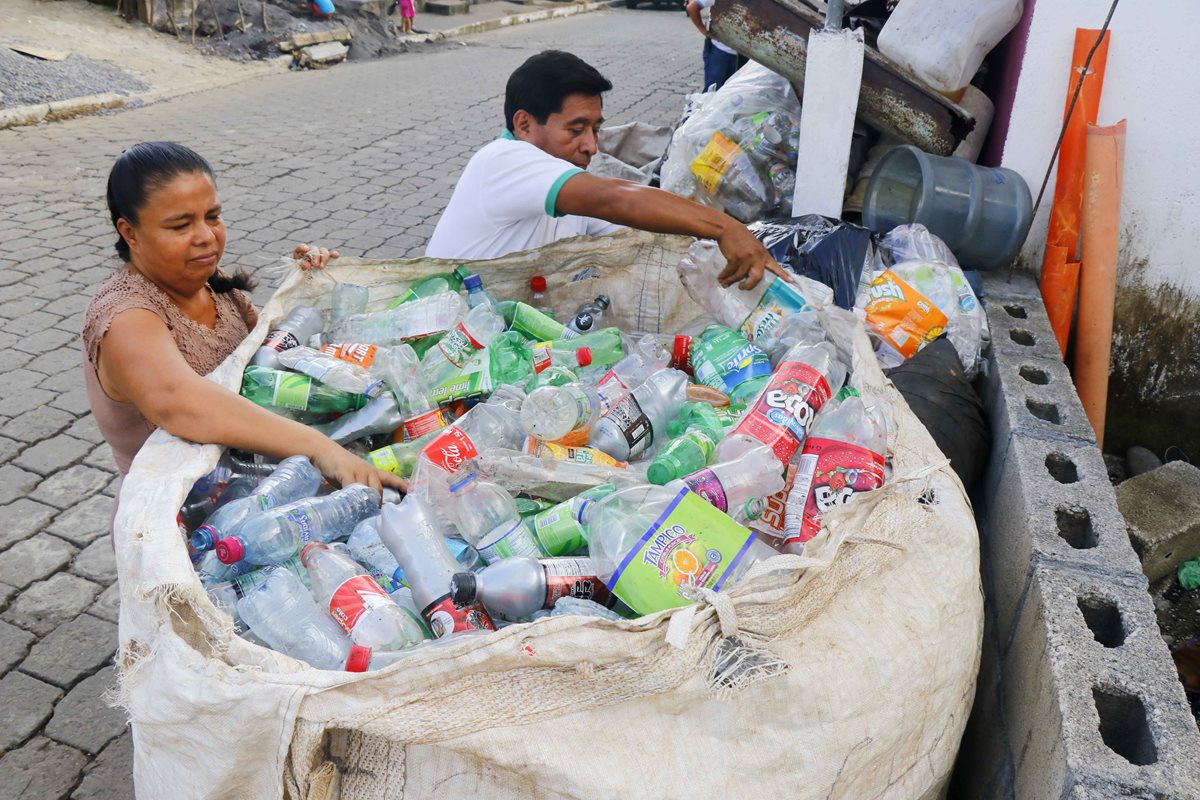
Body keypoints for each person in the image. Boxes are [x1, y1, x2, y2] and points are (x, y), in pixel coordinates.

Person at [83, 141, 404, 524]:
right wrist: (322, 449)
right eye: (181, 225)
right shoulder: (125, 318)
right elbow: (182, 404)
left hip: (259, 492)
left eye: (213, 216)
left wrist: (310, 292)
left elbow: (271, 359)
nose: (206, 236)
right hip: (185, 524)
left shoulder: (210, 285)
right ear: (130, 232)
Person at [424, 50, 784, 291]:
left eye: (595, 129)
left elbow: (647, 222)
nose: (591, 146)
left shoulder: (568, 197)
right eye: (576, 129)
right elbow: (613, 199)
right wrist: (725, 228)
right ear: (524, 124)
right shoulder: (502, 160)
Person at [686, 0, 744, 91]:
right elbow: (692, 8)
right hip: (720, 51)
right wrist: (704, 31)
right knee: (713, 90)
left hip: (743, 54)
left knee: (731, 92)